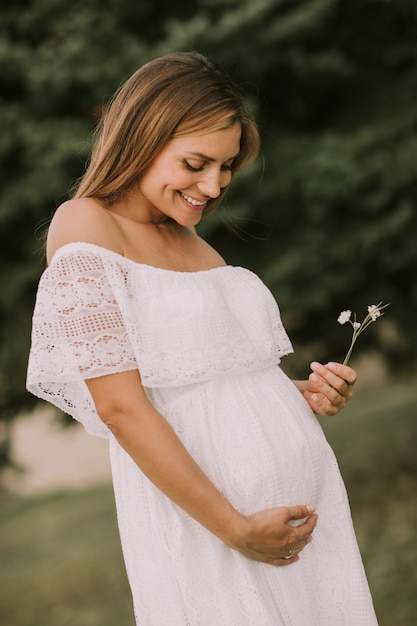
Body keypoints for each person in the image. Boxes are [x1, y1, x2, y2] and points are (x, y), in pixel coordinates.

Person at [27, 52, 378, 625]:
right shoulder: (87, 224)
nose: (213, 187)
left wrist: (298, 394)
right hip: (211, 525)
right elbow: (121, 406)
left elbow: (209, 384)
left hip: (301, 521)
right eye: (196, 163)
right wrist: (234, 528)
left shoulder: (191, 242)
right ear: (143, 138)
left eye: (227, 167)